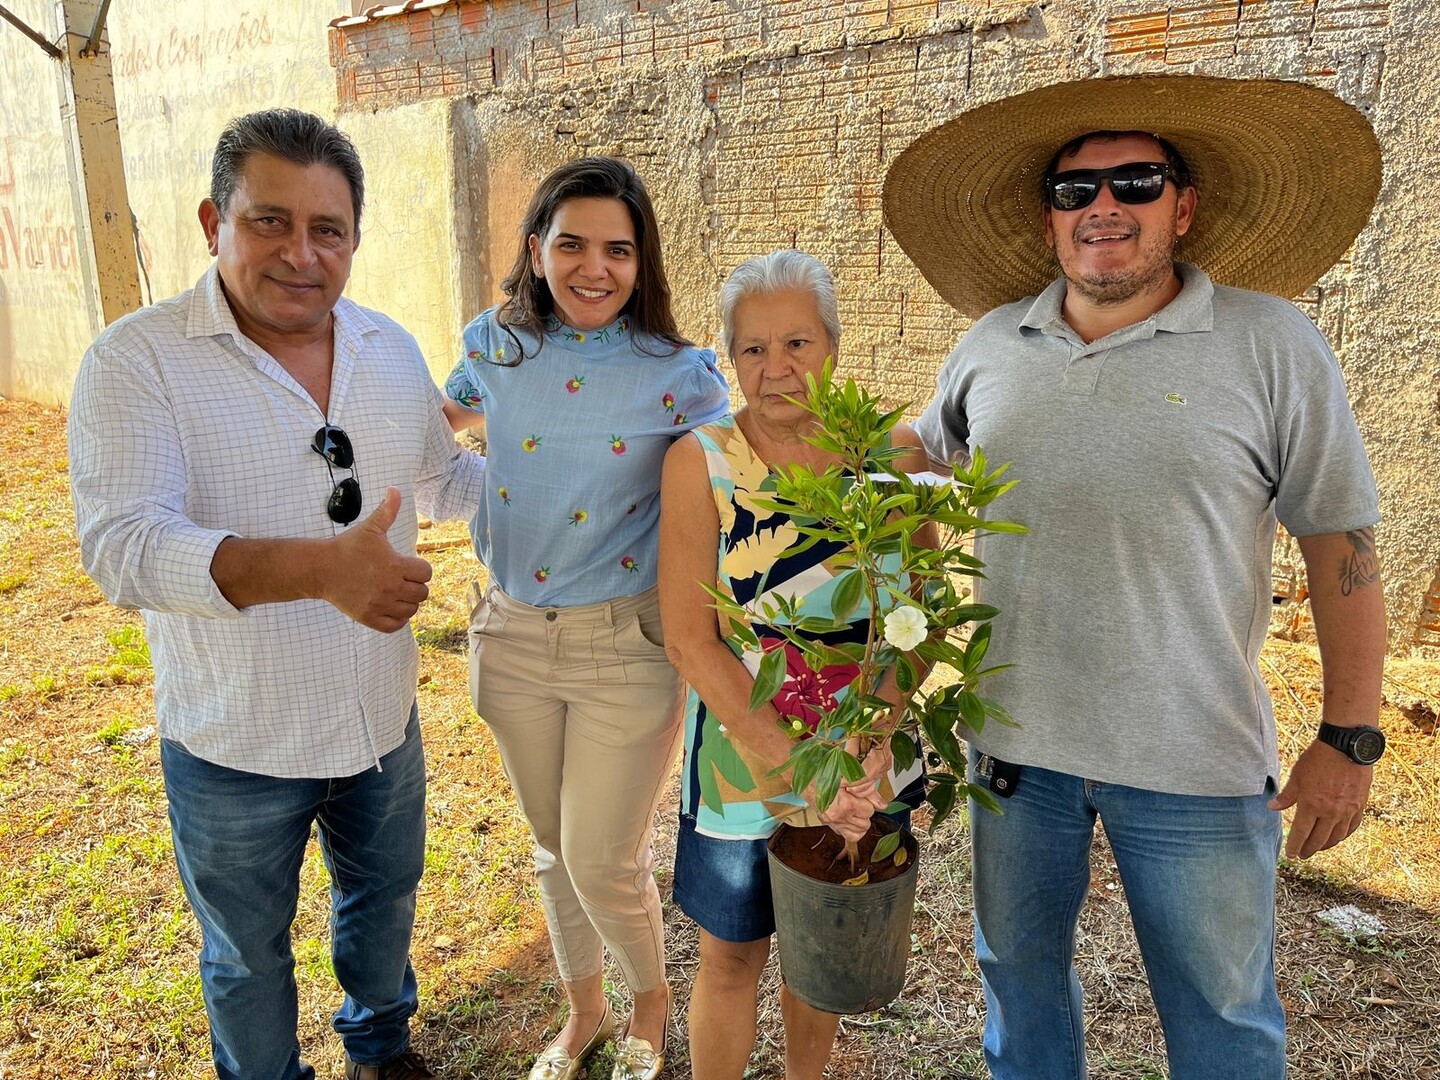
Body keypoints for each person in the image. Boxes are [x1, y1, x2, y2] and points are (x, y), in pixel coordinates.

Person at [882, 75, 1387, 1079]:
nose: (1103, 206)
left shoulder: (1273, 345)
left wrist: (1351, 734)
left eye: (1136, 182)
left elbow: (1341, 545)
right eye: (1076, 189)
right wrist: (797, 453)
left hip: (1193, 759)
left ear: (1184, 207)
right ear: (1048, 217)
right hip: (1015, 757)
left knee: (1223, 1023)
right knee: (1018, 989)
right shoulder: (993, 344)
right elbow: (915, 450)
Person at [68, 108, 484, 1080]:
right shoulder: (137, 362)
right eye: (270, 221)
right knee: (246, 958)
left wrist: (563, 491)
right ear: (214, 222)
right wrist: (319, 569)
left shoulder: (388, 350)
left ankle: (381, 1047)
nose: (302, 254)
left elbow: (442, 480)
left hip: (381, 722)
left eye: (327, 229)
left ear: (353, 239)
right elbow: (124, 545)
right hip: (234, 743)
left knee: (383, 911)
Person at [441, 156, 729, 1080]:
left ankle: (651, 1006)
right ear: (536, 249)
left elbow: (749, 460)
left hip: (627, 645)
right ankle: (584, 1014)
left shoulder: (679, 374)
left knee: (600, 853)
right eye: (571, 244)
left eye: (618, 248)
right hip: (512, 636)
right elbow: (431, 427)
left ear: (642, 263)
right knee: (551, 848)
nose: (593, 268)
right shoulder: (494, 346)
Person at [657, 250, 928, 1080]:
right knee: (732, 956)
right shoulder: (699, 462)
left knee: (825, 951)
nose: (775, 371)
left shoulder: (895, 456)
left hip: (864, 752)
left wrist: (867, 745)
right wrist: (801, 768)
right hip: (745, 756)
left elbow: (915, 625)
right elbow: (690, 639)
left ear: (835, 347)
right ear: (729, 358)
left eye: (797, 345)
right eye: (752, 350)